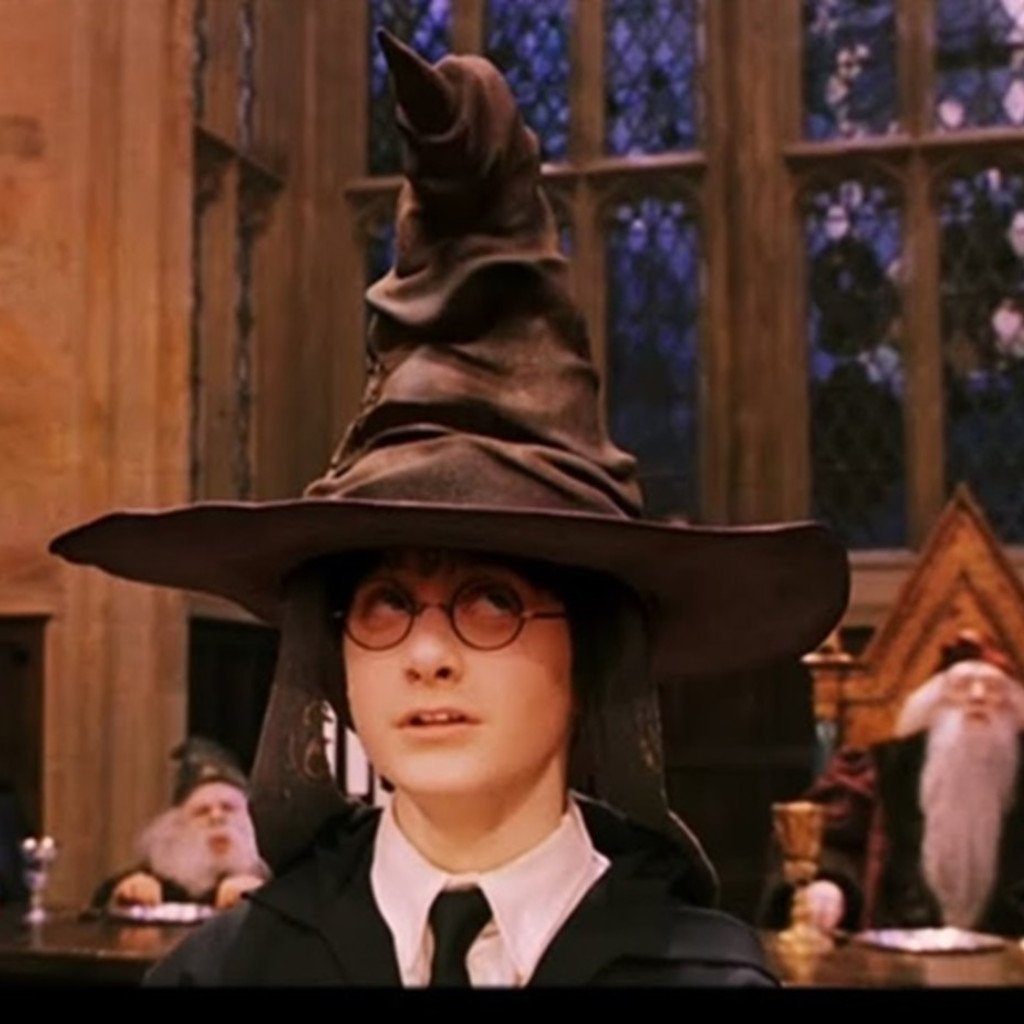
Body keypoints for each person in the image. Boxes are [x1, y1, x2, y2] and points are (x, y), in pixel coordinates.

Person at [49, 30, 849, 986]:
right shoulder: (222, 976)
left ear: (592, 646)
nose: (426, 655)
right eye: (386, 604)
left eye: (491, 601)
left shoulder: (703, 984)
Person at [760, 629, 1024, 937]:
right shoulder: (879, 766)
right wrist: (829, 886)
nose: (977, 698)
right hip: (894, 951)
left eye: (994, 689)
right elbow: (828, 842)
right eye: (961, 687)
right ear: (935, 701)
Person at [91, 737, 270, 912]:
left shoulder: (276, 880)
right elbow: (98, 906)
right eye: (202, 811)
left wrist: (262, 898)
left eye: (228, 808)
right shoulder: (160, 881)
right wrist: (126, 894)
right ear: (177, 828)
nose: (216, 817)